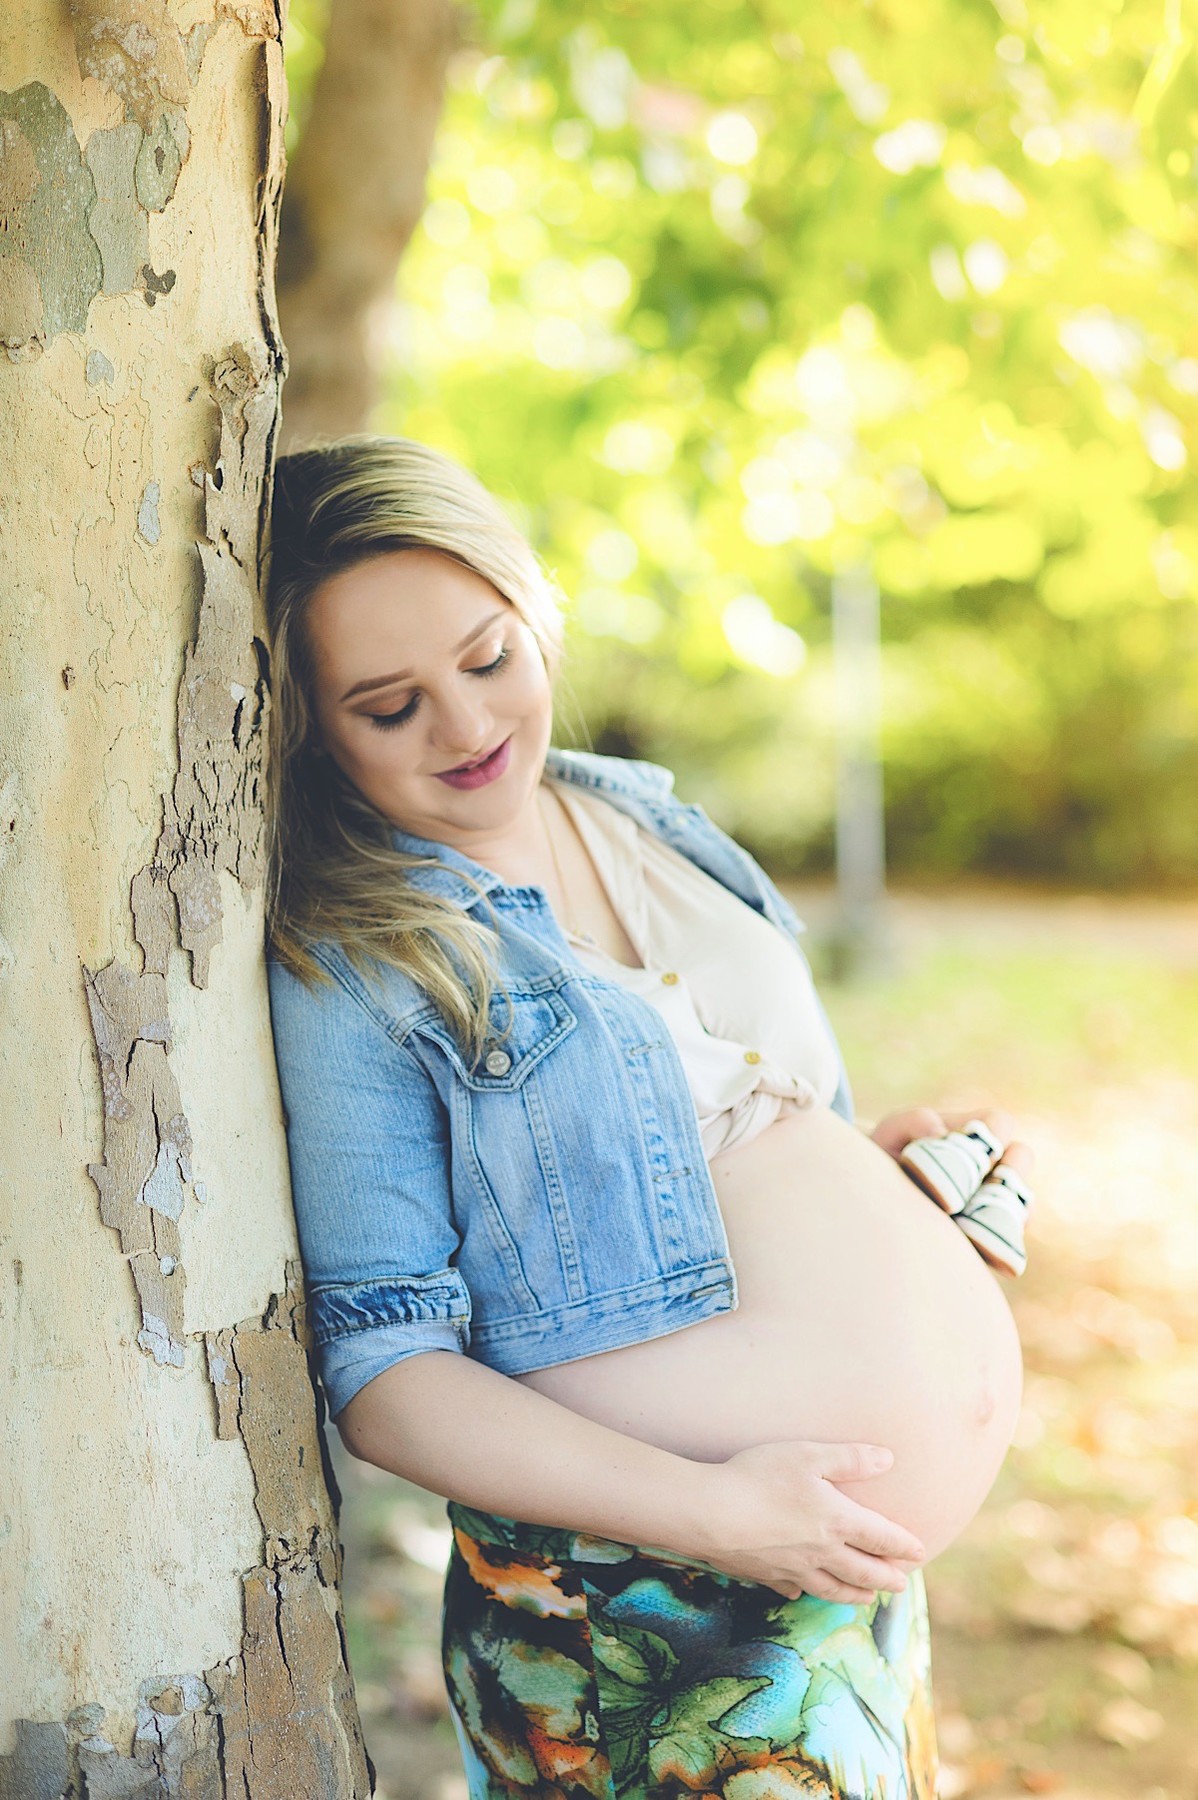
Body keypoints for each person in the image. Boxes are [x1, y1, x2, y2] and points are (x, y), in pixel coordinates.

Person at [263, 434, 1033, 1799]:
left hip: (834, 1571)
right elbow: (385, 1378)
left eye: (488, 657)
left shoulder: (639, 817)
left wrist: (892, 1188)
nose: (465, 725)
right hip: (644, 1599)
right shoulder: (356, 962)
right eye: (389, 705)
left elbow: (714, 1174)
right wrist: (719, 1514)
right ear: (311, 726)